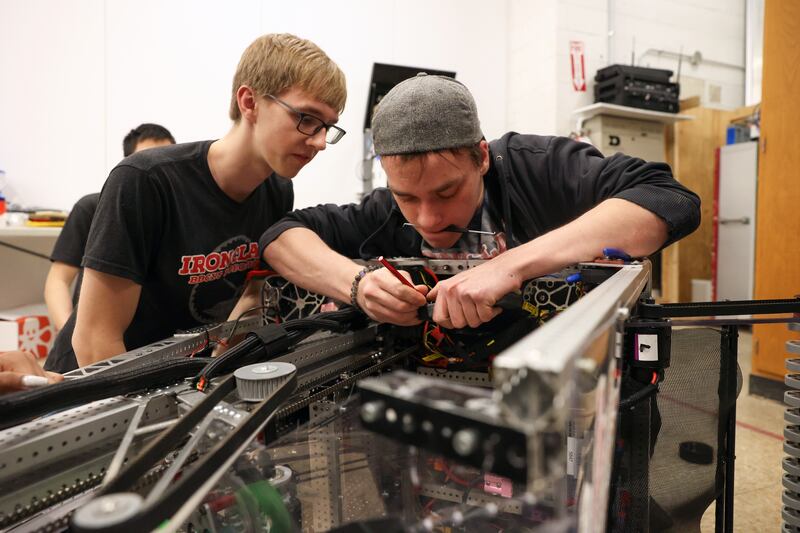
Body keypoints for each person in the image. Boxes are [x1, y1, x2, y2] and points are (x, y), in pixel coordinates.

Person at [257, 73, 700, 330]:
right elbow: (280, 236)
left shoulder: (541, 168)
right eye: (407, 197)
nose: (427, 219)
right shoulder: (384, 213)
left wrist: (507, 267)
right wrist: (357, 284)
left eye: (447, 192)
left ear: (482, 157)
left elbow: (668, 199)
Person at [44, 33, 347, 373]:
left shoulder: (277, 190)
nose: (320, 142)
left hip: (179, 381)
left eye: (329, 127)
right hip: (94, 392)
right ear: (249, 102)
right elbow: (95, 341)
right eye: (307, 118)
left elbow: (251, 297)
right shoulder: (146, 181)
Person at [44, 123, 176, 332]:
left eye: (165, 159)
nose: (157, 168)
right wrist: (69, 337)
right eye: (147, 159)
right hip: (94, 336)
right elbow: (58, 281)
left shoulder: (177, 212)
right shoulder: (91, 208)